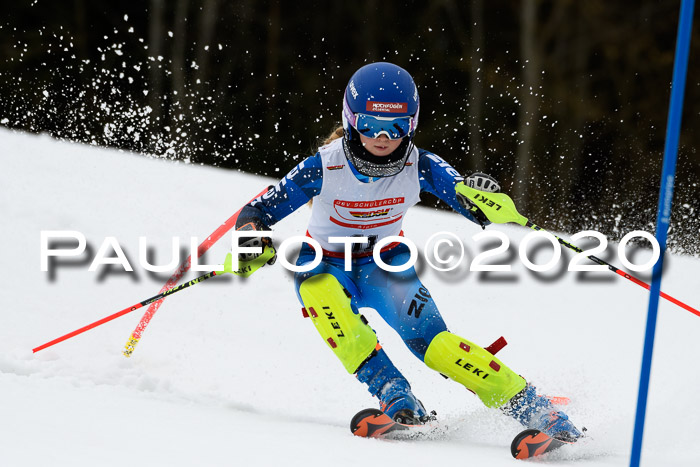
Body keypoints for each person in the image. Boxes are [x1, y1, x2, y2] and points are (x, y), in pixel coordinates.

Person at [232, 62, 582, 440]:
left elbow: (467, 199)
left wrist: (482, 196)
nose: (383, 137)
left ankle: (536, 409)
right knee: (317, 288)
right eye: (369, 125)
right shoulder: (322, 166)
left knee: (436, 347)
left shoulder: (420, 165)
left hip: (384, 266)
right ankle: (393, 393)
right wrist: (252, 237)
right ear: (351, 121)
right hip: (326, 262)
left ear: (411, 125)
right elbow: (258, 210)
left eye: (397, 127)